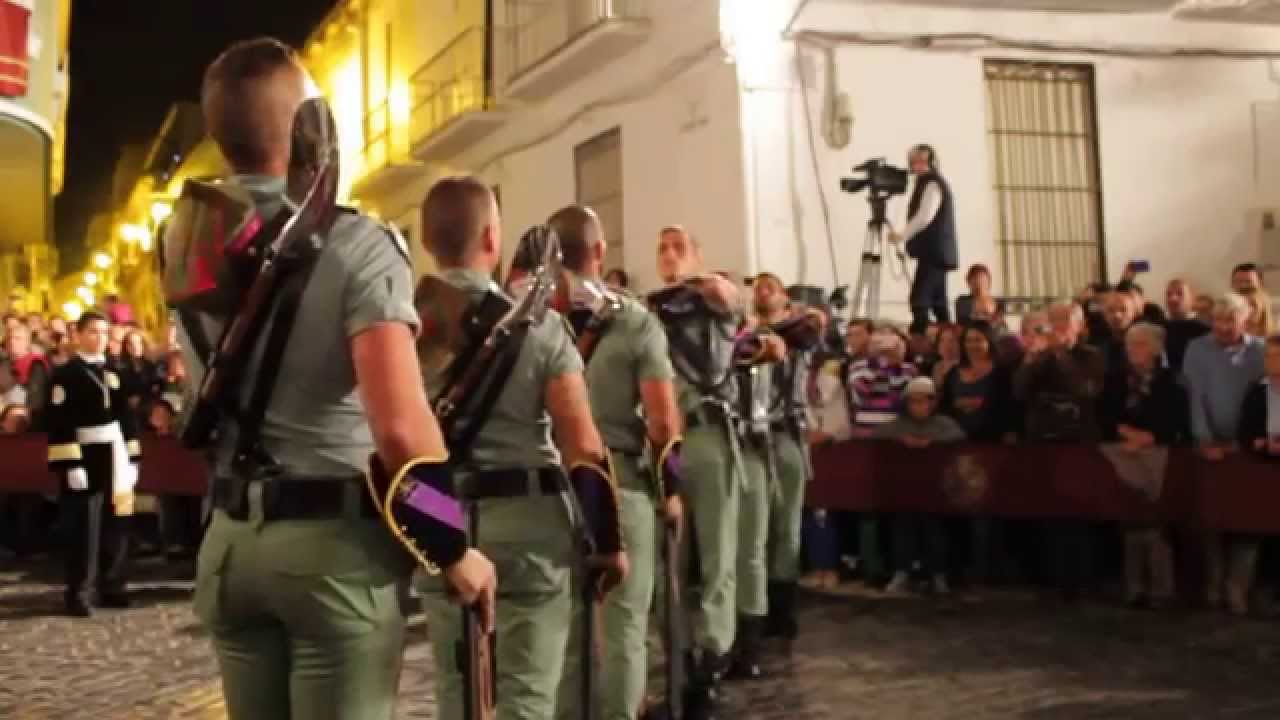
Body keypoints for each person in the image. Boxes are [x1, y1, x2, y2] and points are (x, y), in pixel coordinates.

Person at [186, 39, 495, 720]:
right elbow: (400, 429)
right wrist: (452, 545)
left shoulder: (188, 237)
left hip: (231, 542)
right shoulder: (359, 244)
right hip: (330, 552)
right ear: (308, 126)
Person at [416, 178, 611, 719]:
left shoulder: (401, 332)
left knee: (459, 694)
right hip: (530, 526)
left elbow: (394, 448)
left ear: (428, 239)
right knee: (527, 696)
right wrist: (608, 540)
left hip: (441, 517)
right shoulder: (540, 326)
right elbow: (583, 446)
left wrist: (441, 533)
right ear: (492, 238)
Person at [545, 205, 682, 720]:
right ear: (600, 252)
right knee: (625, 629)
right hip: (621, 487)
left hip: (556, 490)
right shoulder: (636, 321)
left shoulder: (538, 319)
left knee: (566, 627)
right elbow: (664, 423)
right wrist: (673, 490)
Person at [649, 225, 749, 718]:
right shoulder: (650, 311)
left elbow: (729, 296)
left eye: (678, 248)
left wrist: (694, 281)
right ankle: (681, 656)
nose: (668, 256)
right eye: (662, 249)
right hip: (665, 442)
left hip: (707, 434)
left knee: (717, 556)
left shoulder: (711, 297)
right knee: (668, 558)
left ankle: (712, 656)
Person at [44, 311, 141, 617]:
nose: (99, 338)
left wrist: (132, 455)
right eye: (93, 333)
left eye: (103, 332)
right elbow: (59, 422)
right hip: (85, 454)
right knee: (84, 525)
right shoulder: (65, 375)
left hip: (114, 452)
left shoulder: (114, 371)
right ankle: (79, 591)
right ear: (79, 335)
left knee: (117, 519)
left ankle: (112, 583)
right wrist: (71, 463)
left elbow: (126, 417)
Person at [1014, 301, 1106, 599]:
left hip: (1077, 443)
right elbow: (1018, 391)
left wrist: (1060, 353)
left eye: (1065, 322)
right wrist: (1030, 361)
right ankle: (1052, 580)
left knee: (1078, 515)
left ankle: (1083, 580)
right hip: (1043, 442)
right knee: (1048, 513)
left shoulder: (1091, 356)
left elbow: (1084, 389)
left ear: (1079, 327)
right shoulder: (1040, 357)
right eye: (1053, 321)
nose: (1058, 327)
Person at [1183, 293, 1266, 615]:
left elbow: (1264, 397)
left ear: (1245, 320)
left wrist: (1244, 443)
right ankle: (1213, 586)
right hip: (1210, 446)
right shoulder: (1197, 349)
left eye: (1230, 320)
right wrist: (1204, 439)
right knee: (1211, 518)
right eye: (1218, 320)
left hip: (1247, 449)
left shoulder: (1259, 351)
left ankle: (1238, 587)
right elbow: (1195, 397)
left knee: (1249, 520)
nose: (1223, 326)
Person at [1099, 323, 1190, 609]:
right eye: (1129, 344)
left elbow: (1177, 418)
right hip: (1122, 450)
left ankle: (1161, 590)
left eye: (1139, 344)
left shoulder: (1171, 380)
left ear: (1155, 348)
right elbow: (1103, 412)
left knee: (1154, 522)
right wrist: (1124, 432)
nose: (1132, 349)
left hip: (1156, 453)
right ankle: (1133, 588)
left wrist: (1150, 436)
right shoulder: (1115, 379)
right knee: (1130, 521)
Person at [875, 377, 965, 595]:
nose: (919, 406)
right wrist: (902, 439)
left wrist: (931, 441)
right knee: (902, 528)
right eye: (914, 401)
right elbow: (879, 433)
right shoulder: (898, 424)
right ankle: (901, 573)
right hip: (903, 490)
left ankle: (938, 575)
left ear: (933, 403)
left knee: (935, 530)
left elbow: (959, 435)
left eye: (924, 401)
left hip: (935, 490)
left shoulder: (943, 423)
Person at [892, 144, 957, 335]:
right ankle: (948, 335)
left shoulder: (932, 184)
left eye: (917, 160)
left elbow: (924, 216)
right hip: (936, 253)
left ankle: (923, 338)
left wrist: (902, 235)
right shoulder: (930, 183)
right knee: (939, 304)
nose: (913, 164)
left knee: (920, 301)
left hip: (933, 252)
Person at [1238, 335, 1280, 461]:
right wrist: (1263, 444)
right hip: (1263, 464)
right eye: (1267, 355)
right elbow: (1244, 435)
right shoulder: (1256, 392)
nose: (1270, 360)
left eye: (1277, 355)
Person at [0, 322, 50, 417]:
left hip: (25, 419)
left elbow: (35, 402)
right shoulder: (3, 364)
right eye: (9, 338)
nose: (12, 341)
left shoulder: (36, 365)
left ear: (27, 342)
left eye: (18, 338)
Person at [1164, 278, 1209, 373]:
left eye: (1180, 294)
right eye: (1169, 294)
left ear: (1192, 299)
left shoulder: (1204, 330)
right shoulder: (1160, 326)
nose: (1173, 298)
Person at [954, 264, 1006, 330]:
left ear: (988, 281)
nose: (979, 282)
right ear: (968, 281)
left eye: (982, 279)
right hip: (971, 335)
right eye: (975, 278)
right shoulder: (963, 301)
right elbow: (965, 322)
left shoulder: (999, 302)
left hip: (994, 335)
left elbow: (997, 322)